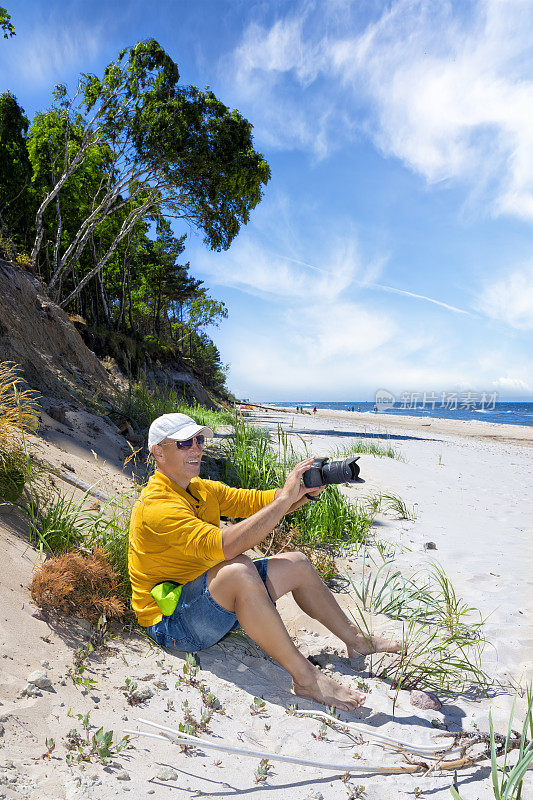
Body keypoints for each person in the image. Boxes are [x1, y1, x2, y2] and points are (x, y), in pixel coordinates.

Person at [129, 413, 400, 711]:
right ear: (158, 451)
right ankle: (306, 678)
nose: (196, 449)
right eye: (184, 443)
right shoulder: (157, 506)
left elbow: (260, 502)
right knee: (239, 568)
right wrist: (284, 501)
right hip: (173, 625)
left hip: (208, 603)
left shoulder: (200, 489)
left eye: (199, 440)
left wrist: (301, 493)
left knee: (297, 563)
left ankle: (357, 640)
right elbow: (227, 545)